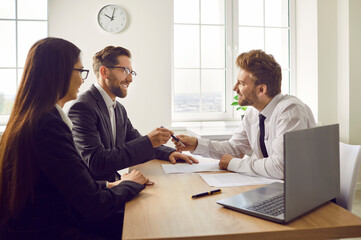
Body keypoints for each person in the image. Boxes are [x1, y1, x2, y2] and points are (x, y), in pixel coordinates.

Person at [0, 37, 151, 239]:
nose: (82, 79)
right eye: (80, 71)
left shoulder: (34, 117)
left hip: (49, 222)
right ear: (58, 72)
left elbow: (68, 182)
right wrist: (131, 184)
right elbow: (94, 205)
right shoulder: (49, 125)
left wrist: (109, 185)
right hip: (53, 230)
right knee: (146, 224)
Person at [173, 49, 316, 180]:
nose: (235, 88)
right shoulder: (253, 112)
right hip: (271, 187)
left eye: (241, 83)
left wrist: (234, 164)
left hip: (301, 194)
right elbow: (235, 149)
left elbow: (281, 167)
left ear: (261, 89)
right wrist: (197, 145)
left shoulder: (290, 111)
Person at [68, 46, 198, 182]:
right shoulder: (83, 107)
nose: (130, 79)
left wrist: (170, 152)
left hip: (113, 184)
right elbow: (97, 162)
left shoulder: (119, 109)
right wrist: (148, 141)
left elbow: (134, 140)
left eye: (131, 72)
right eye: (124, 71)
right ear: (104, 71)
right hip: (95, 193)